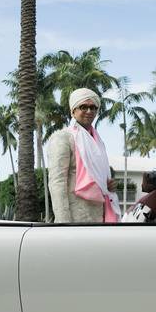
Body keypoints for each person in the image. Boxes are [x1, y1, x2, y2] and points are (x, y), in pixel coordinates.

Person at [46, 88, 121, 223]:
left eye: (93, 107)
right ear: (73, 111)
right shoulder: (63, 138)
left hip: (100, 217)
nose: (89, 111)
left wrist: (106, 185)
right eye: (83, 107)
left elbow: (97, 177)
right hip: (75, 219)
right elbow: (57, 182)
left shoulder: (98, 142)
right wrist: (63, 222)